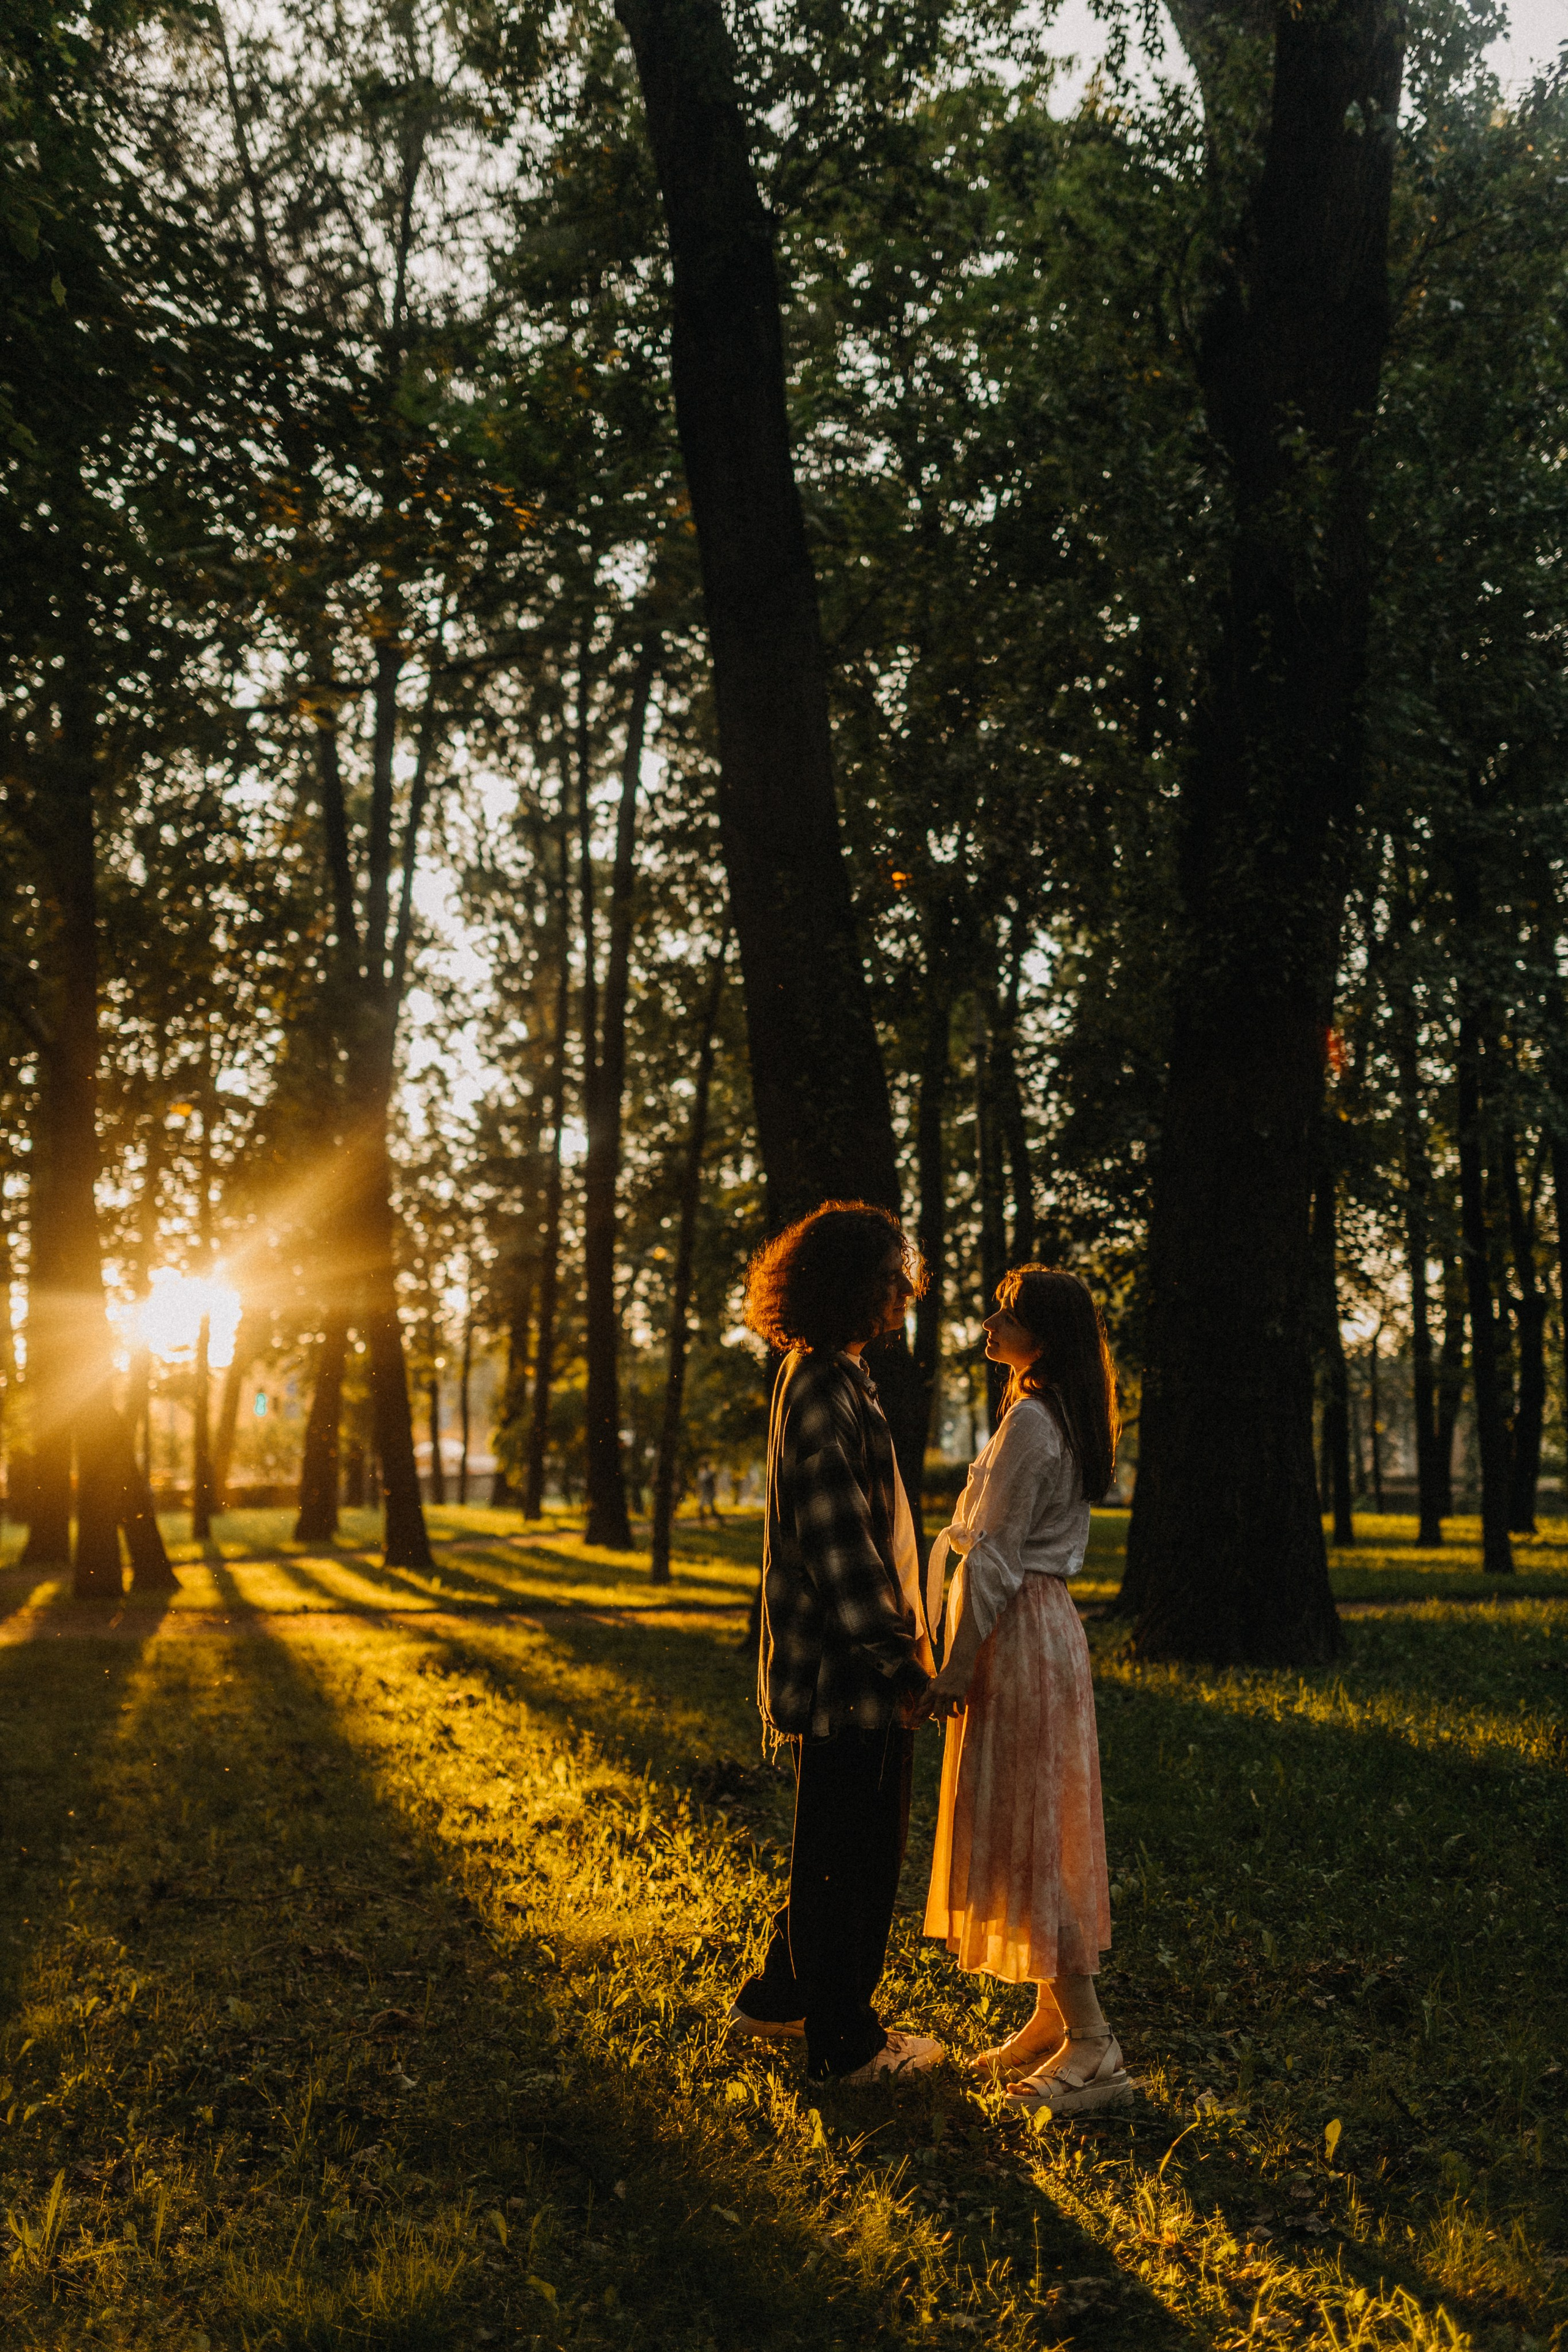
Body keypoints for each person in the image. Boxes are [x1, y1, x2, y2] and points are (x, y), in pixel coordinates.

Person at [726, 1201, 943, 2084]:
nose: (905, 1291)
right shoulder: (821, 1380)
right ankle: (845, 2045)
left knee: (831, 1844)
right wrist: (900, 1658)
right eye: (894, 1276)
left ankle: (779, 2001)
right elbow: (839, 1539)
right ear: (855, 1283)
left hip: (848, 1666)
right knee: (855, 1859)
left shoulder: (832, 1374)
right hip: (850, 1671)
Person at [916, 1265, 1129, 2116]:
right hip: (1044, 1631)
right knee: (1034, 1817)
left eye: (1008, 1314)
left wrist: (958, 1662)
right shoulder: (1048, 1415)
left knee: (1038, 1826)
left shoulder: (1035, 1424)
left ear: (1041, 1339)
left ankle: (1093, 2043)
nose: (991, 1324)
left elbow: (996, 1557)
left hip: (1018, 1632)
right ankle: (1052, 2013)